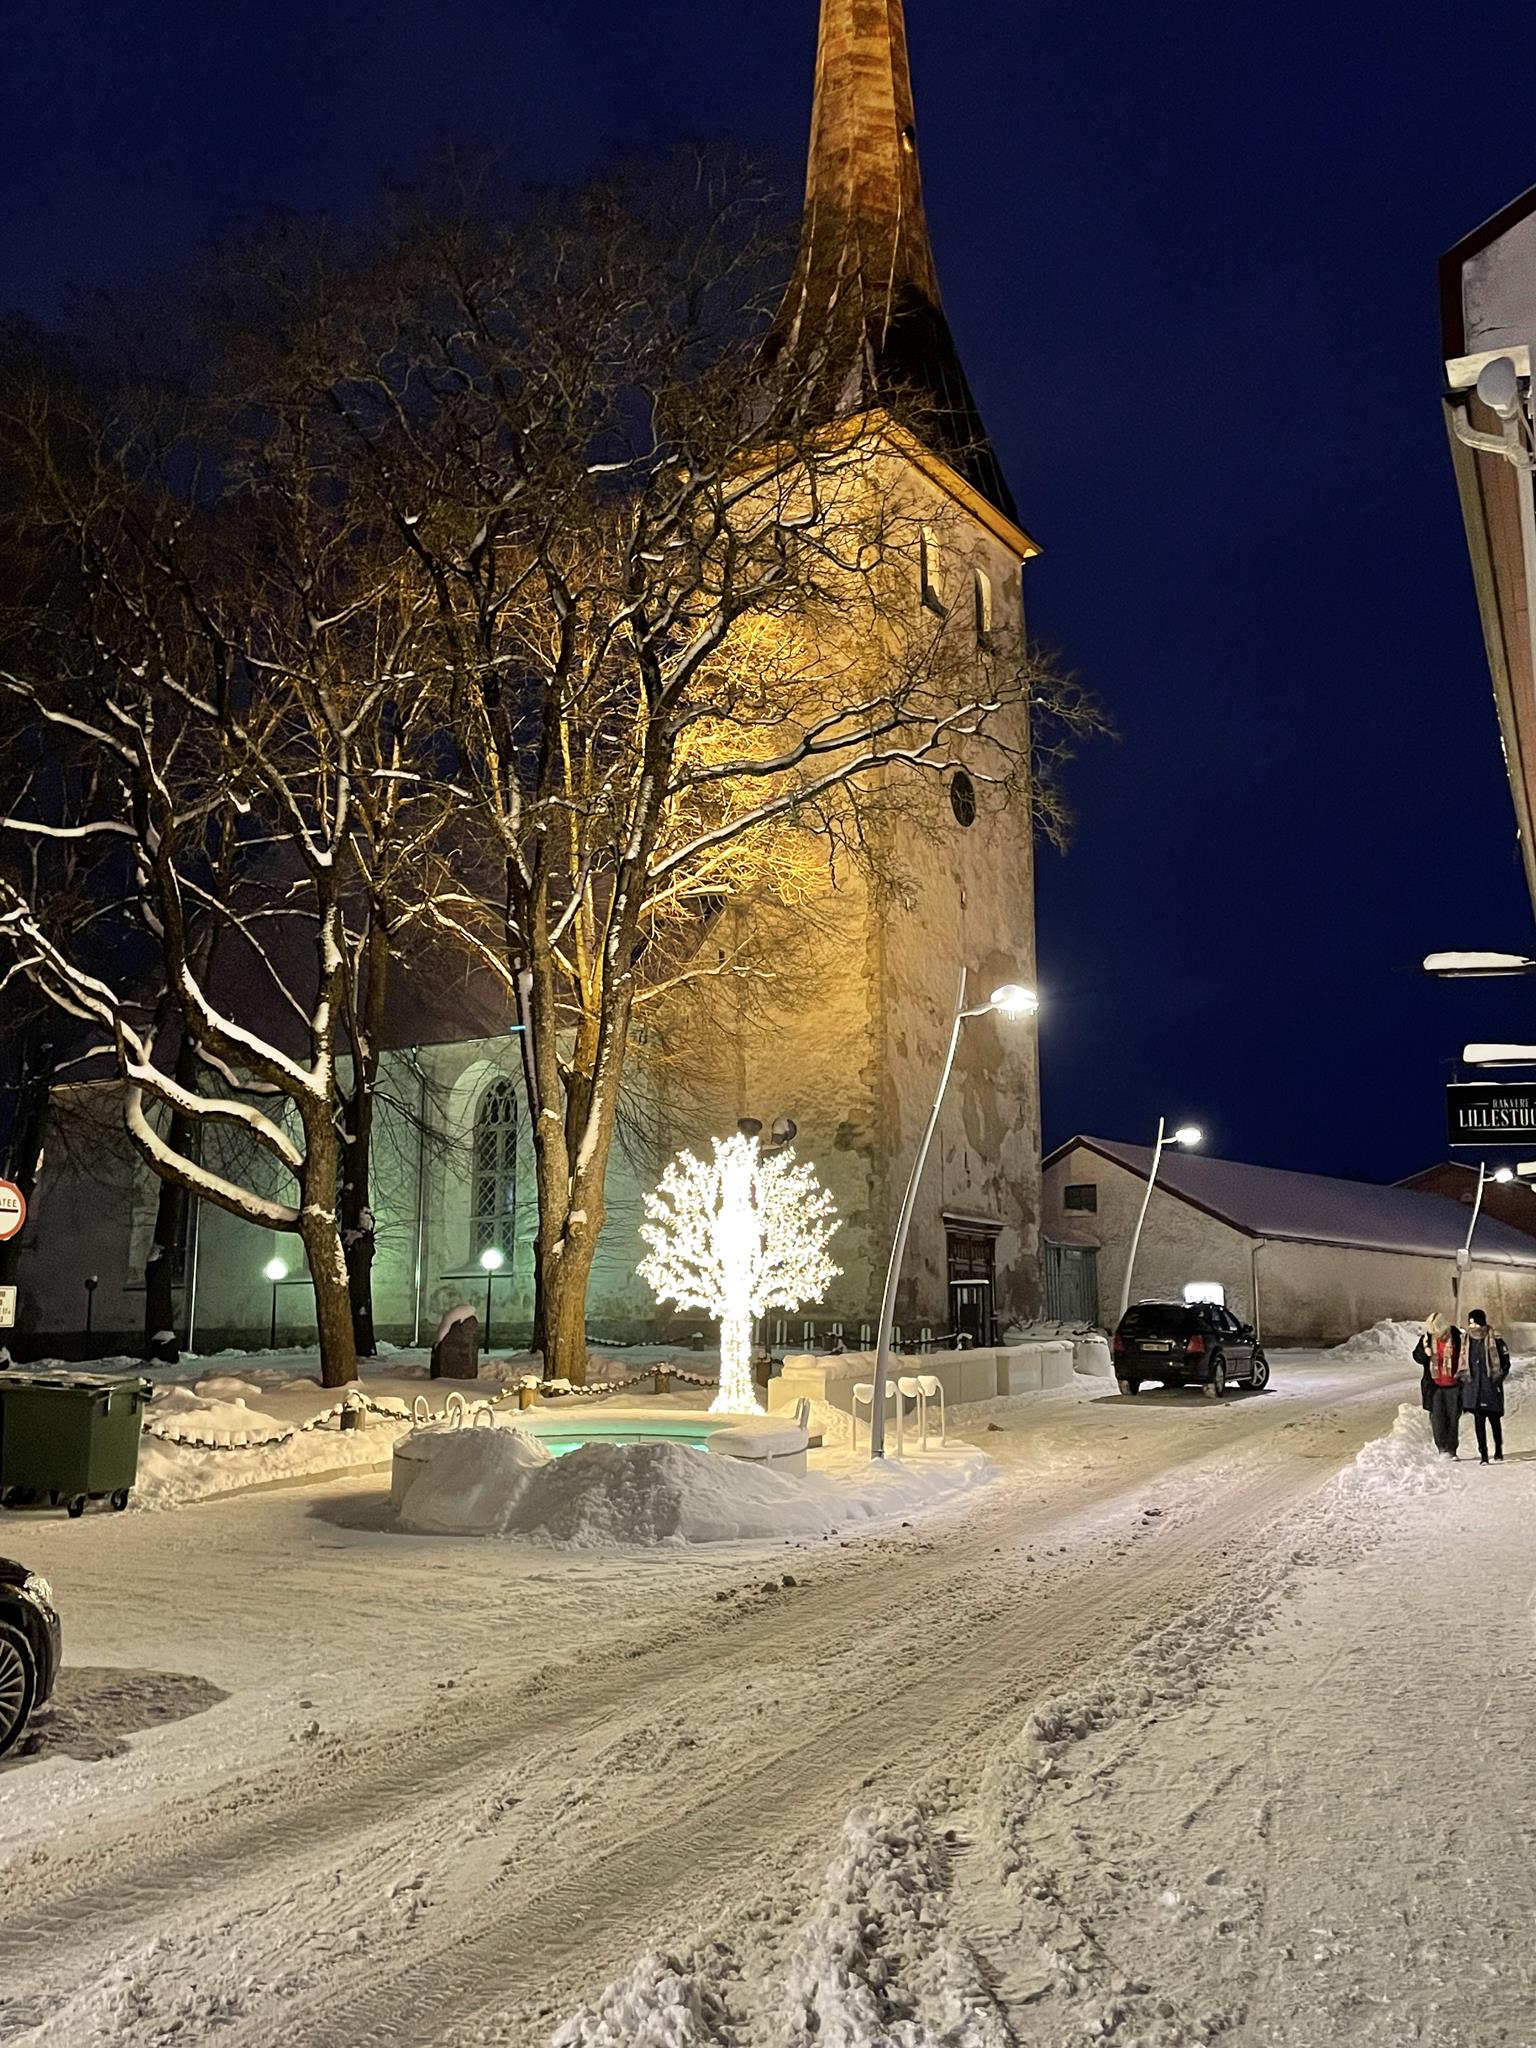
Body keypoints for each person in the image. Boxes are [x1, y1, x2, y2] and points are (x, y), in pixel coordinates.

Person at [1460, 1308, 1510, 1465]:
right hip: (1474, 1387)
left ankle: (1498, 1450)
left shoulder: (1495, 1339)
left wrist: (1498, 1378)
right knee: (1479, 1421)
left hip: (1490, 1386)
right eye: (1470, 1323)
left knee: (1494, 1420)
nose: (1471, 1326)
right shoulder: (1466, 1340)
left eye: (1474, 1322)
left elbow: (1505, 1362)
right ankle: (1483, 1454)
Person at [1414, 1312, 1463, 1457]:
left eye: (1437, 1331)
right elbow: (1417, 1356)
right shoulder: (1427, 1339)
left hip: (1454, 1385)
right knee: (1437, 1418)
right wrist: (1425, 1353)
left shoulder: (1456, 1337)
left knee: (1453, 1418)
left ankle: (1452, 1450)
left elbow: (1465, 1356)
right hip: (1434, 1386)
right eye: (1432, 1331)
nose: (1435, 1334)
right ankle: (1442, 1448)